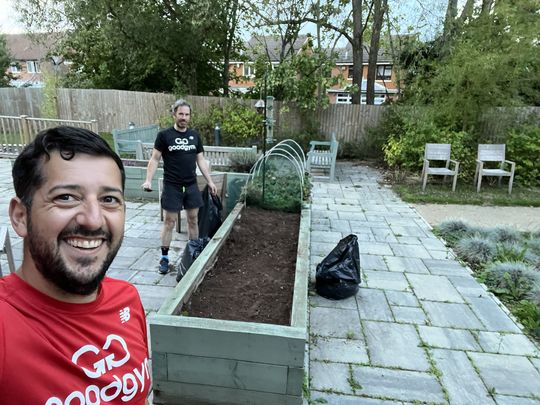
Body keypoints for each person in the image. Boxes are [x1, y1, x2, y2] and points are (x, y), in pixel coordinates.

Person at [0, 126, 151, 404]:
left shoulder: (127, 299)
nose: (93, 220)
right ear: (21, 216)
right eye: (66, 197)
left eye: (109, 200)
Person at [142, 99, 217, 274]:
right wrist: (148, 180)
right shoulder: (164, 136)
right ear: (174, 114)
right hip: (172, 186)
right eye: (181, 114)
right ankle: (164, 258)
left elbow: (201, 160)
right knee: (169, 221)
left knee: (193, 220)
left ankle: (193, 253)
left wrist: (210, 181)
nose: (184, 117)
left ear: (190, 116)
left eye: (187, 114)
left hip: (190, 185)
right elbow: (154, 159)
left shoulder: (194, 136)